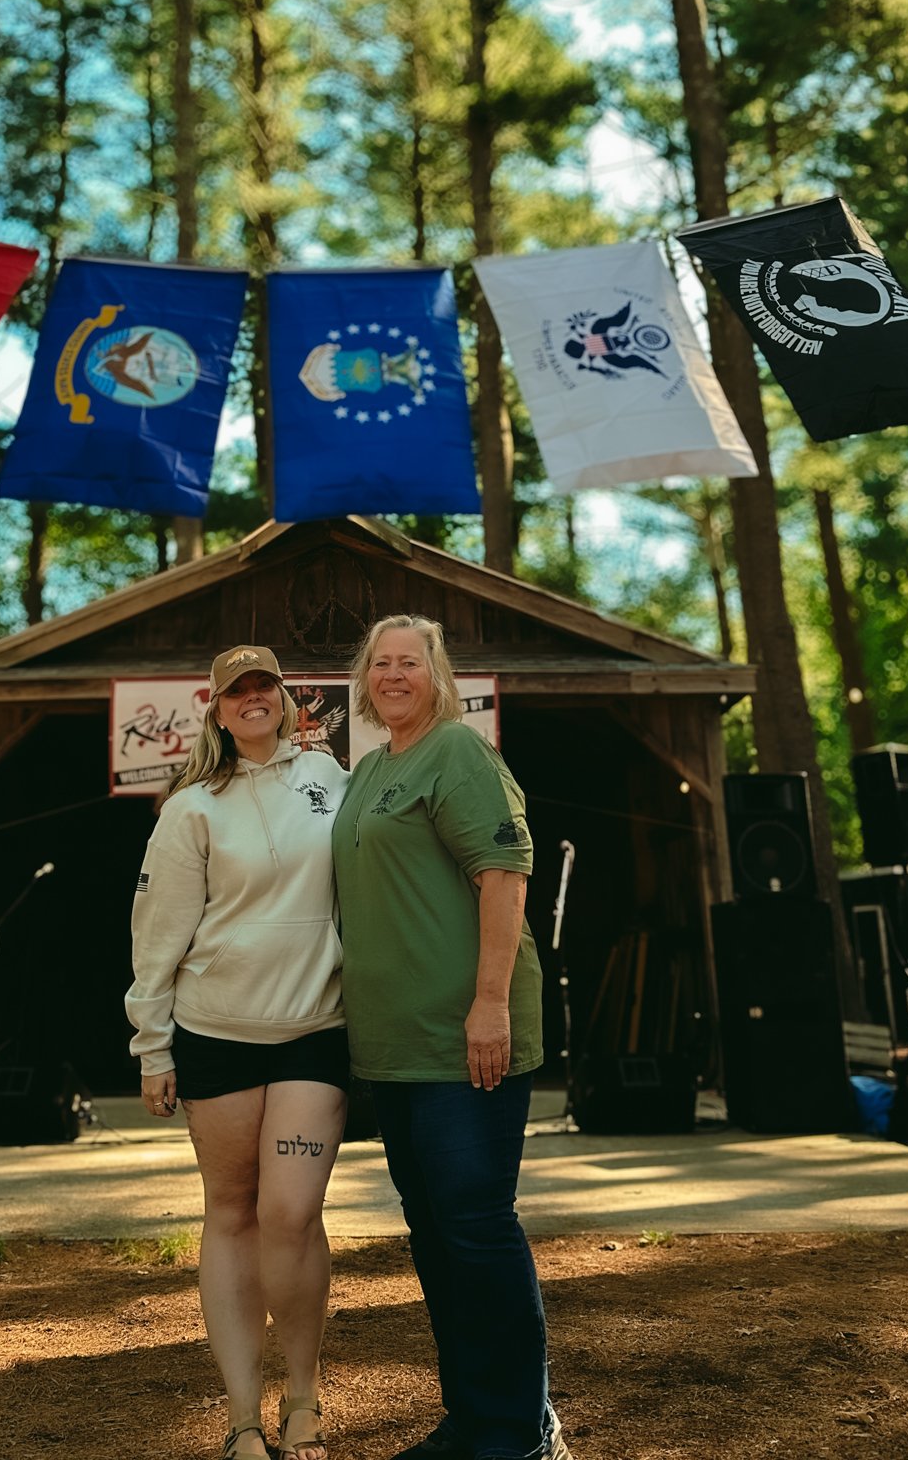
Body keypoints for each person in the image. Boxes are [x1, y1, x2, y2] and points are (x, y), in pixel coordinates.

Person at [333, 614, 569, 1460]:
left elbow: (504, 878)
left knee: (474, 1225)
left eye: (412, 662)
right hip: (394, 1046)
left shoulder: (461, 754)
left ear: (440, 675)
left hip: (467, 1036)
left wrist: (491, 1003)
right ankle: (475, 1418)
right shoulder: (365, 774)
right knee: (433, 1233)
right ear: (364, 681)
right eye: (381, 663)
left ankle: (521, 1430)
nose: (395, 674)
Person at [128, 645, 349, 1460]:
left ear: (289, 701)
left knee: (290, 1213)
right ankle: (243, 1419)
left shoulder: (335, 785)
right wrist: (153, 1047)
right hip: (214, 1035)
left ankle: (304, 1396)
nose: (253, 699)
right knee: (230, 1213)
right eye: (236, 691)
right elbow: (156, 939)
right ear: (217, 710)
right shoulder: (192, 810)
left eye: (266, 687)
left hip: (314, 1032)